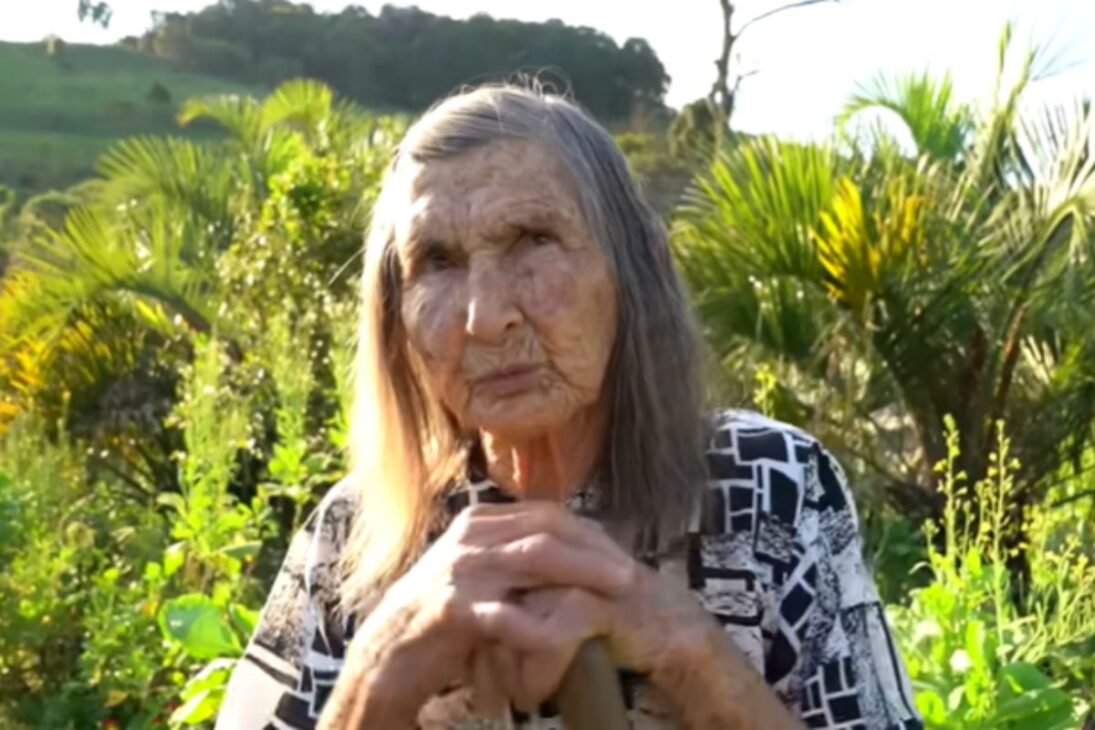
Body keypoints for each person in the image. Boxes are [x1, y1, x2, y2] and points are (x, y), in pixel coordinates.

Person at [217, 84, 922, 730]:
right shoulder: (356, 535)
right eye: (436, 261)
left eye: (533, 240)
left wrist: (687, 650)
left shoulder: (765, 487)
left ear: (637, 269)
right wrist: (384, 666)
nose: (484, 317)